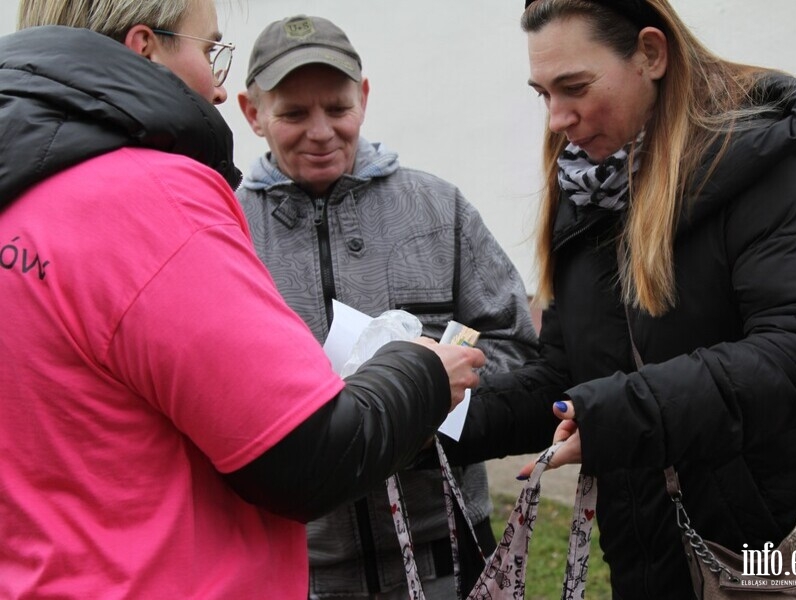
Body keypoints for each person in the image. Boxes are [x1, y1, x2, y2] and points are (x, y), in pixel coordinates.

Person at [0, 1, 486, 597]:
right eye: (210, 52)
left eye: (338, 107)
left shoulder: (19, 189)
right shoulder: (154, 199)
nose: (219, 90)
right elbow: (306, 456)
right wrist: (420, 366)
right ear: (144, 47)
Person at [449, 0, 796, 598]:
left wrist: (620, 416)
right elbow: (567, 378)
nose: (557, 118)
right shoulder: (590, 188)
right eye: (543, 93)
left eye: (575, 87)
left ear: (651, 52)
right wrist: (435, 411)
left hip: (783, 558)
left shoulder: (766, 169)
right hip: (652, 560)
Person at [235, 15, 541, 600]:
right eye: (294, 114)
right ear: (253, 113)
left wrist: (432, 400)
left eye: (337, 107)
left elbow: (516, 347)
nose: (321, 131)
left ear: (365, 97)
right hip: (299, 567)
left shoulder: (437, 208)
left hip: (446, 549)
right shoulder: (227, 230)